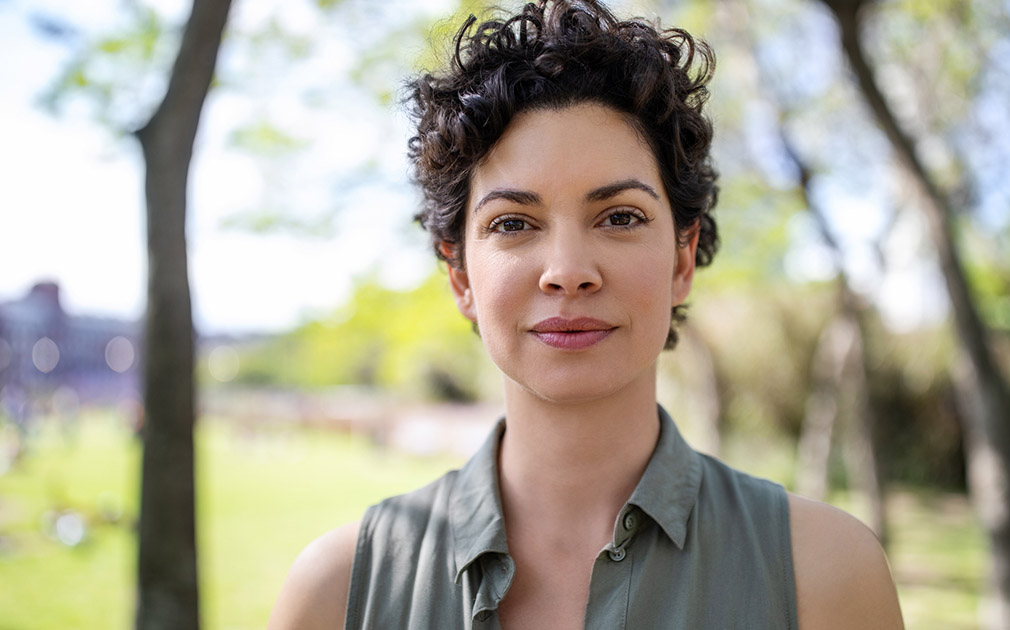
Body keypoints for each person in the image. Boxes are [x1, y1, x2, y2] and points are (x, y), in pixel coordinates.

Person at [267, 1, 904, 628]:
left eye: (619, 217)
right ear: (459, 274)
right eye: (513, 223)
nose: (567, 270)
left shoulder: (826, 575)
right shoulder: (336, 592)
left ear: (683, 259)